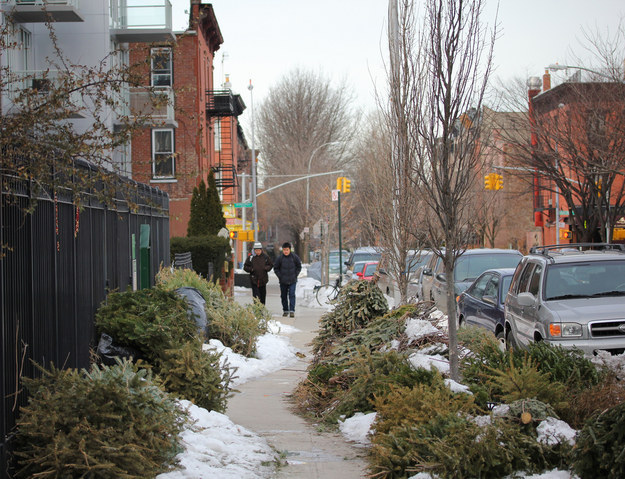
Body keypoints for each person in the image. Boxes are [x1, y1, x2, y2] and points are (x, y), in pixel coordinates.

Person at [273, 242, 302, 317]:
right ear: (282, 250)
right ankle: (285, 310)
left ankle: (292, 310)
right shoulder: (280, 258)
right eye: (284, 250)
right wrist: (280, 276)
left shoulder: (294, 257)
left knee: (292, 294)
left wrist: (295, 274)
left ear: (290, 250)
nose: (286, 251)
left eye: (287, 250)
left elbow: (299, 266)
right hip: (283, 281)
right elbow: (276, 268)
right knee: (283, 296)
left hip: (292, 280)